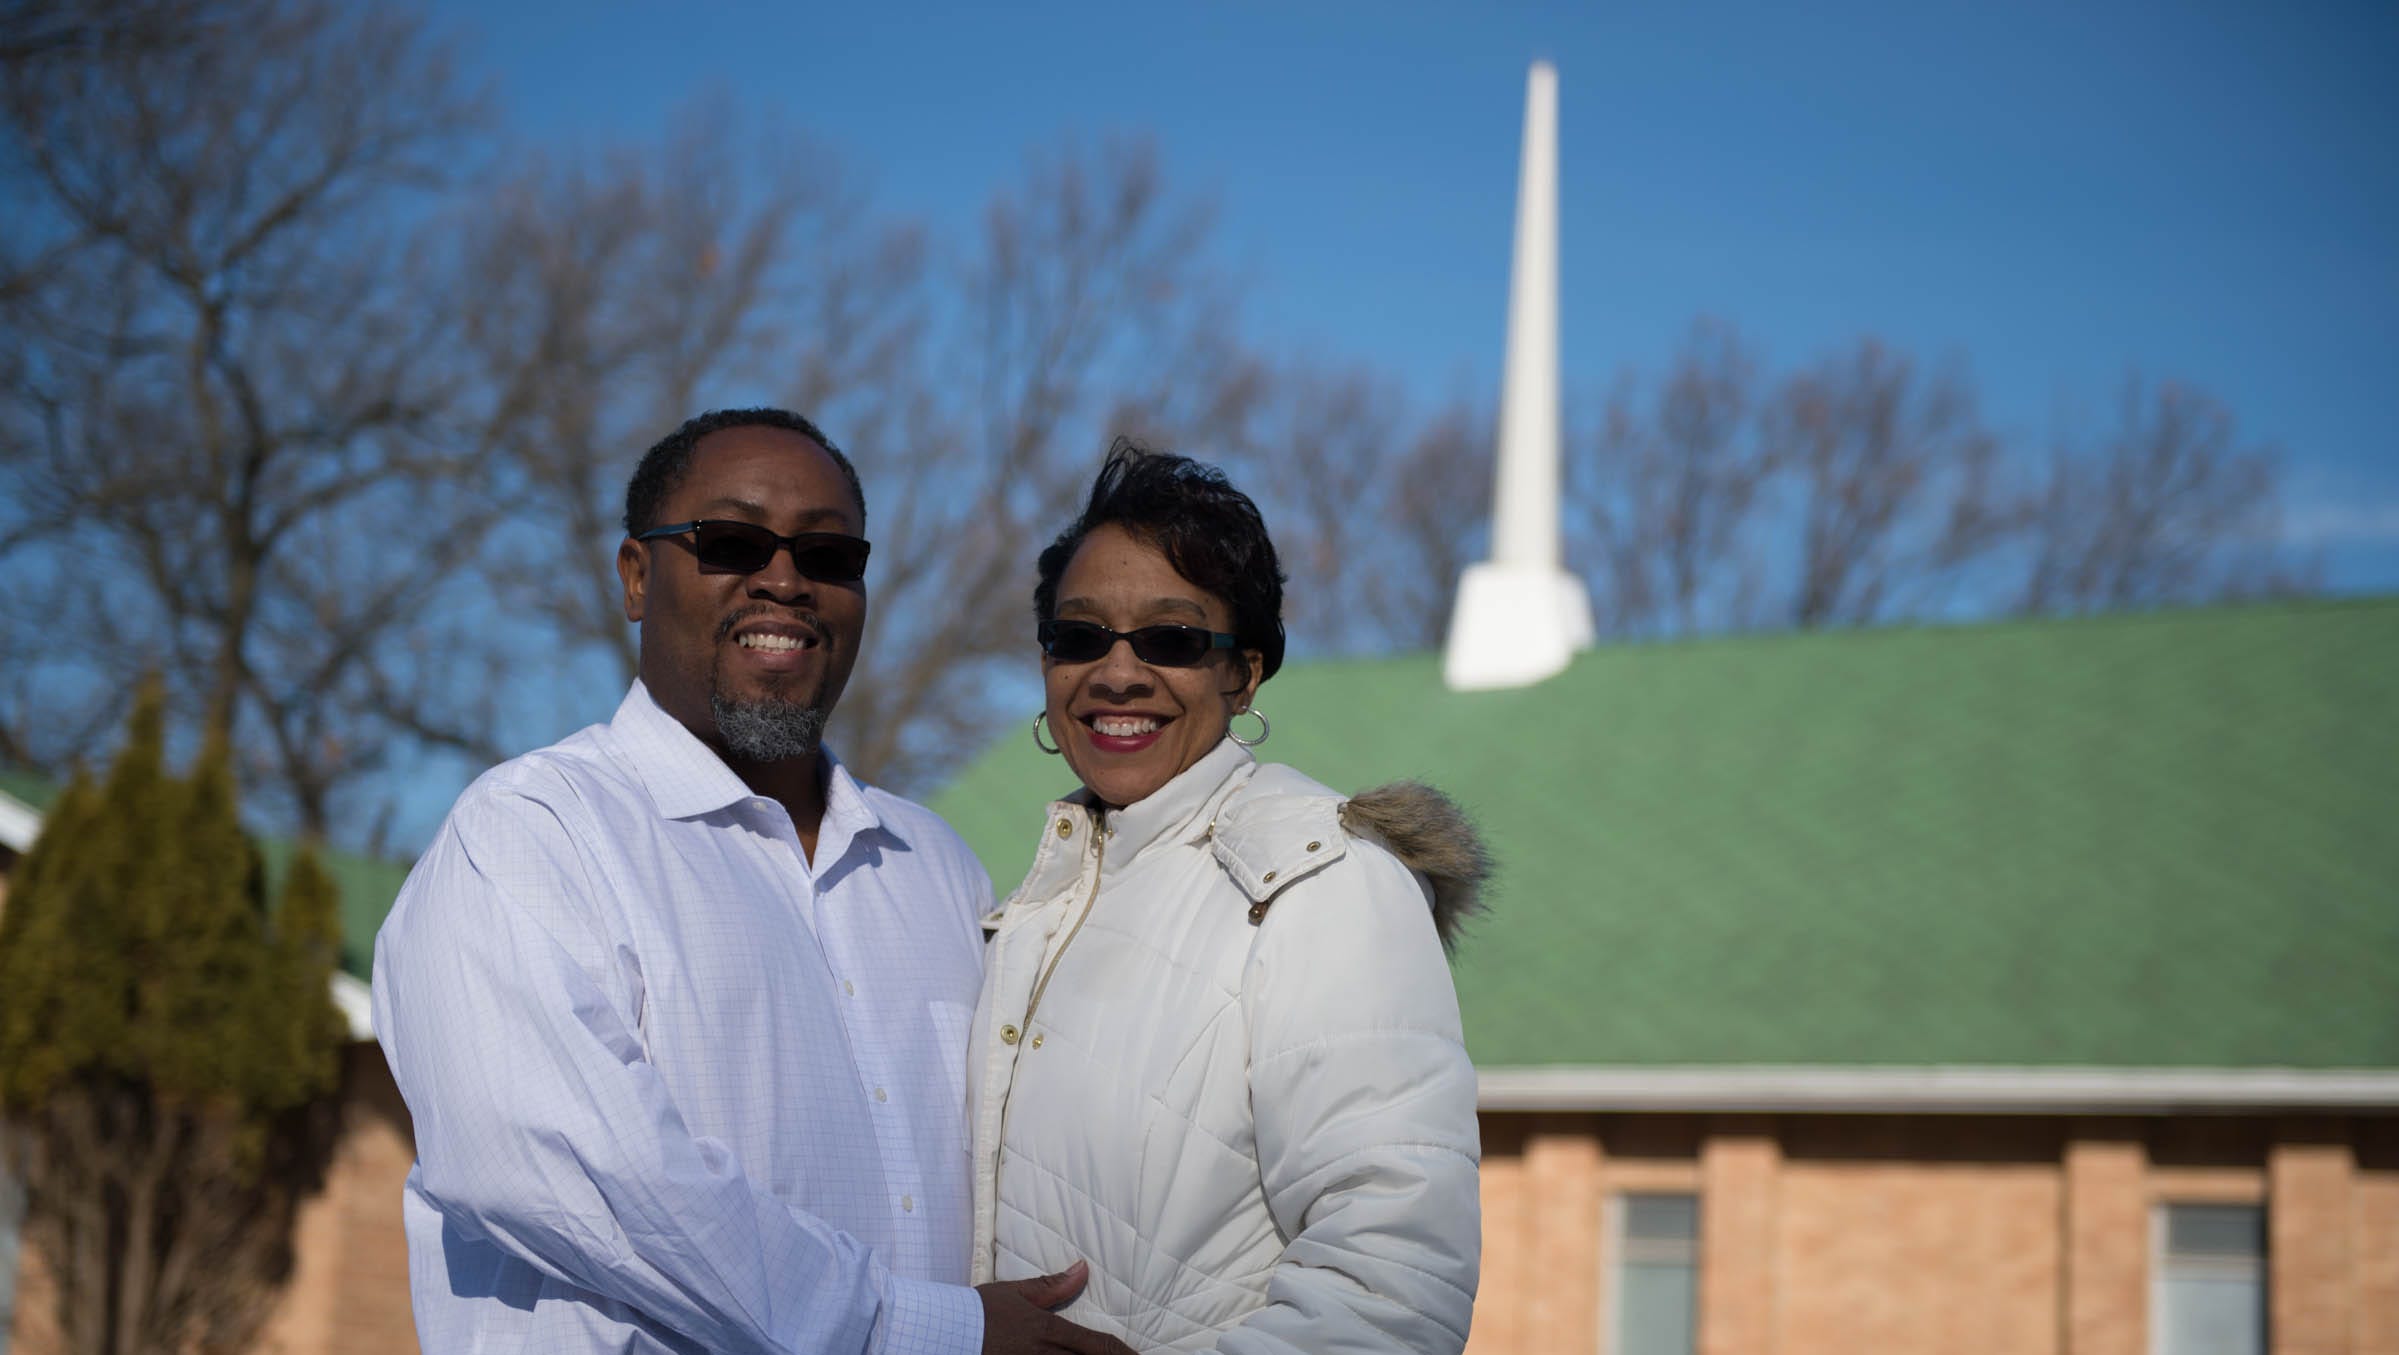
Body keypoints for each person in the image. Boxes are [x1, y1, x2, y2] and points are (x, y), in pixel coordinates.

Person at [374, 408, 1135, 1355]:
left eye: (828, 554)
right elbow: (560, 1170)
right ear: (637, 578)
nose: (785, 579)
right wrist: (925, 1329)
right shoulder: (534, 835)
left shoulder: (936, 865)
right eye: (731, 541)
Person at [969, 442, 1487, 1353]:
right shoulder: (1034, 906)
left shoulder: (1320, 879)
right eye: (1078, 635)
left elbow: (1394, 1290)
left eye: (1170, 640)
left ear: (1242, 672)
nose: (1116, 672)